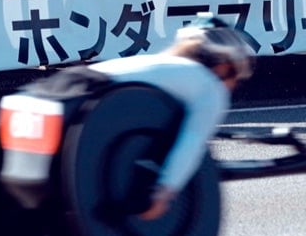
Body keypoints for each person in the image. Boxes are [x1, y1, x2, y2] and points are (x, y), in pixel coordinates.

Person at [87, 14, 253, 219]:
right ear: (223, 67)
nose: (233, 87)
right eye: (235, 78)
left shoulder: (162, 64)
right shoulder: (209, 86)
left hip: (65, 87)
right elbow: (191, 142)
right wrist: (163, 192)